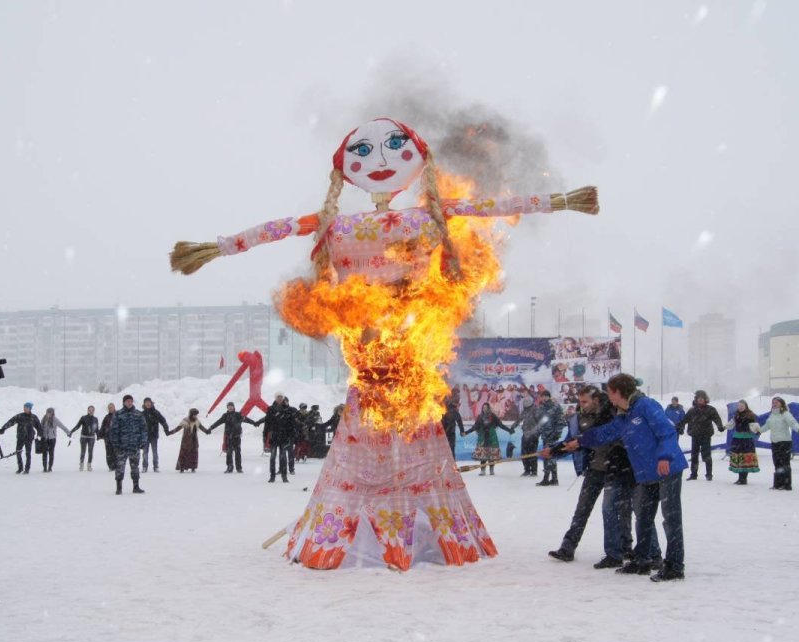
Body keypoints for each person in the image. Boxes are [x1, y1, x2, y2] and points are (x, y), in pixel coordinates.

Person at [174, 116, 596, 570]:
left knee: (409, 425)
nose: (378, 160)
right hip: (370, 353)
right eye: (364, 152)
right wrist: (215, 248)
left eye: (395, 147)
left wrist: (560, 202)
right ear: (344, 169)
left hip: (411, 348)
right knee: (377, 425)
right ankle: (365, 533)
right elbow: (275, 229)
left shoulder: (421, 216)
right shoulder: (337, 224)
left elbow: (492, 205)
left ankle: (412, 533)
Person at [558, 373, 687, 581]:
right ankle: (642, 561)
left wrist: (665, 456)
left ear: (618, 392)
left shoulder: (646, 405)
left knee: (670, 518)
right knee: (644, 518)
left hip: (667, 469)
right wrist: (580, 441)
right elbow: (606, 433)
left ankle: (675, 566)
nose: (608, 397)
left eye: (610, 392)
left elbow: (667, 432)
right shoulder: (624, 416)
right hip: (646, 473)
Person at [547, 385, 615, 562]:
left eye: (585, 401)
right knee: (581, 510)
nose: (582, 405)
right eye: (580, 401)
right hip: (593, 469)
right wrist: (554, 450)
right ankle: (568, 547)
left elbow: (606, 436)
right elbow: (571, 441)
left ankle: (623, 550)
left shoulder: (609, 414)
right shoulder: (578, 418)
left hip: (615, 470)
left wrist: (581, 442)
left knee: (615, 512)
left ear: (596, 400)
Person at [677, 389, 724, 480]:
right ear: (696, 399)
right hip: (695, 435)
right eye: (698, 399)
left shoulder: (710, 410)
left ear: (705, 399)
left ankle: (709, 474)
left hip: (706, 435)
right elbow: (685, 420)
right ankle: (693, 474)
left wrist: (720, 426)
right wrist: (678, 426)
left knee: (706, 455)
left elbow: (717, 419)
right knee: (694, 455)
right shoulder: (692, 410)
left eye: (702, 399)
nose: (700, 400)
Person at [759, 397, 799, 490]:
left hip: (784, 441)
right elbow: (767, 425)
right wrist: (759, 431)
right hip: (775, 442)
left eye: (776, 402)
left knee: (785, 464)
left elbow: (792, 422)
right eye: (773, 402)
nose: (774, 404)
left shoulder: (785, 414)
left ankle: (787, 484)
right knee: (777, 463)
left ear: (782, 404)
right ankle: (778, 483)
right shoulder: (772, 415)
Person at [209, 401, 262, 473]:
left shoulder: (238, 415)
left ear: (234, 407)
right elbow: (218, 422)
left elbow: (246, 419)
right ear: (227, 408)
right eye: (229, 406)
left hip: (236, 437)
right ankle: (229, 467)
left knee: (238, 453)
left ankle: (239, 468)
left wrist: (254, 423)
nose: (230, 407)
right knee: (229, 453)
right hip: (229, 437)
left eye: (231, 406)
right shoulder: (225, 416)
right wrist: (211, 427)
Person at [110, 394, 148, 495]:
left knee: (135, 467)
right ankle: (119, 488)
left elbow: (144, 430)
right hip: (121, 447)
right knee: (120, 467)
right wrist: (115, 444)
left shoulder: (138, 414)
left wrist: (143, 442)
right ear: (124, 402)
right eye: (127, 401)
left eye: (131, 401)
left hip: (134, 446)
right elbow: (114, 431)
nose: (129, 403)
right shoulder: (118, 414)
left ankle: (136, 487)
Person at [464, 402, 513, 476]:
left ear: (489, 408)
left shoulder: (493, 416)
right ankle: (483, 470)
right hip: (483, 437)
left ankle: (491, 469)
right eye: (483, 408)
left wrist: (509, 430)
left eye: (486, 408)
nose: (484, 409)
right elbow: (475, 427)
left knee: (491, 454)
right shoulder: (480, 417)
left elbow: (500, 425)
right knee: (483, 454)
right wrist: (466, 432)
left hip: (491, 436)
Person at [0, 402, 43, 474]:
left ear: (30, 409)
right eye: (24, 407)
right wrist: (3, 428)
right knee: (18, 452)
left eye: (26, 408)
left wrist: (40, 434)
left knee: (28, 454)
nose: (24, 409)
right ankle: (20, 467)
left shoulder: (34, 417)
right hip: (20, 437)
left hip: (29, 438)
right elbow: (11, 422)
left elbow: (39, 426)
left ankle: (27, 468)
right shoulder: (20, 416)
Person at [535, 389, 566, 486]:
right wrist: (538, 432)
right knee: (549, 456)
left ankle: (547, 478)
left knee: (550, 456)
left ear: (549, 396)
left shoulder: (556, 406)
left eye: (545, 396)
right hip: (545, 435)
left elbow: (561, 421)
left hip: (552, 436)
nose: (544, 398)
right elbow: (540, 422)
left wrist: (557, 433)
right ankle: (553, 478)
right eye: (542, 396)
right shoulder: (542, 407)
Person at [262, 393, 293, 484]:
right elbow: (267, 423)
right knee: (272, 457)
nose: (279, 399)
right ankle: (272, 476)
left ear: (283, 398)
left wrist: (291, 435)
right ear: (275, 398)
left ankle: (284, 476)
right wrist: (265, 435)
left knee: (283, 457)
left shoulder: (287, 409)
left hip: (284, 436)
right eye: (278, 397)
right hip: (274, 436)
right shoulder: (271, 409)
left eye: (281, 397)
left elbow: (291, 424)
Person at [728, 400, 761, 485]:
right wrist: (724, 427)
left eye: (742, 405)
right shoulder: (736, 416)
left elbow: (754, 426)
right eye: (739, 406)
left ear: (746, 406)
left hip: (746, 439)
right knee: (739, 458)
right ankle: (740, 477)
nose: (740, 407)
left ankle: (743, 478)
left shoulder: (750, 416)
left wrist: (757, 430)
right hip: (737, 439)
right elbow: (731, 424)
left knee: (745, 459)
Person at [170, 408, 210, 472]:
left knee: (194, 454)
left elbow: (201, 427)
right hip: (186, 440)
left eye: (196, 415)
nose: (195, 416)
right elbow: (178, 428)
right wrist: (171, 432)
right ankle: (182, 467)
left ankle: (193, 467)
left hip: (194, 440)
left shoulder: (197, 421)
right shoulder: (185, 421)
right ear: (191, 414)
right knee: (184, 454)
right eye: (194, 414)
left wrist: (206, 431)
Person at [141, 397, 170, 473]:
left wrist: (166, 430)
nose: (147, 403)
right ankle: (144, 467)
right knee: (145, 452)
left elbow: (163, 421)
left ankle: (156, 466)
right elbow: (137, 425)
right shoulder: (142, 414)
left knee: (155, 452)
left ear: (151, 403)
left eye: (149, 402)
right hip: (145, 436)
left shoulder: (156, 412)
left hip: (154, 435)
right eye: (146, 402)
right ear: (144, 404)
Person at [39, 407, 71, 472]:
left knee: (51, 453)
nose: (49, 414)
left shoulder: (55, 419)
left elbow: (62, 426)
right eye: (48, 412)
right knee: (44, 453)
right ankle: (44, 468)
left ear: (53, 413)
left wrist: (68, 432)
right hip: (44, 438)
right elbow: (39, 427)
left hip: (52, 439)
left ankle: (50, 467)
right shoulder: (44, 418)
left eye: (50, 412)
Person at [70, 405, 100, 471]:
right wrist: (72, 431)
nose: (91, 411)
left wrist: (99, 435)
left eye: (92, 410)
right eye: (90, 410)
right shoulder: (83, 418)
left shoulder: (95, 419)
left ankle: (89, 465)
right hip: (83, 437)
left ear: (94, 411)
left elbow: (96, 429)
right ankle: (81, 464)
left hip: (91, 437)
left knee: (90, 451)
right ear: (88, 410)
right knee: (83, 451)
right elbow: (78, 426)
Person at [518, 395, 542, 477]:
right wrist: (513, 427)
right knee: (524, 453)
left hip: (533, 435)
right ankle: (527, 470)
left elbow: (540, 423)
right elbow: (519, 419)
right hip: (525, 435)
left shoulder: (536, 410)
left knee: (532, 453)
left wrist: (537, 434)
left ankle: (534, 471)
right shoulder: (525, 411)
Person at [98, 402, 118, 471]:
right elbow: (103, 426)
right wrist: (100, 434)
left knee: (116, 452)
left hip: (116, 437)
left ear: (114, 407)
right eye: (109, 408)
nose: (111, 409)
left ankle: (116, 465)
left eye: (112, 407)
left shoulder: (118, 415)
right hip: (107, 437)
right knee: (109, 453)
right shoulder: (106, 417)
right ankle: (111, 466)